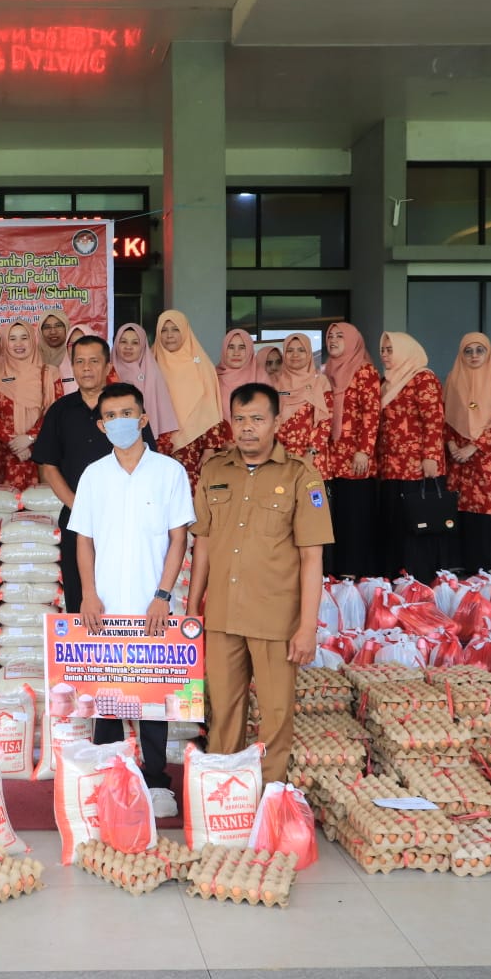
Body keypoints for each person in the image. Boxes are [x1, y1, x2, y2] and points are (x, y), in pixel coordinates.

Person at [188, 383, 333, 784]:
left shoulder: (301, 475)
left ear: (276, 422)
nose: (247, 428)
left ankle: (269, 796)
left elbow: (312, 557)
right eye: (239, 419)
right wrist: (193, 608)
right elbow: (202, 544)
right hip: (222, 615)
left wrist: (307, 627)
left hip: (275, 618)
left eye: (257, 419)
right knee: (222, 711)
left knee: (275, 715)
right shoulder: (215, 470)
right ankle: (224, 793)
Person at [67, 382, 193, 818]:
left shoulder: (169, 472)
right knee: (108, 698)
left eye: (127, 413)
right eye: (110, 416)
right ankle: (111, 778)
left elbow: (179, 538)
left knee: (153, 696)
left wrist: (162, 595)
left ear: (143, 419)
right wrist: (88, 593)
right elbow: (84, 540)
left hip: (151, 606)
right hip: (104, 607)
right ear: (102, 426)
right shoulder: (93, 475)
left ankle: (156, 780)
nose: (119, 422)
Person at [34, 336, 156, 607]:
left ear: (107, 366)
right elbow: (49, 466)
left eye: (93, 361)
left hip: (126, 515)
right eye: (79, 362)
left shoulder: (124, 408)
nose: (86, 368)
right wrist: (79, 508)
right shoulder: (60, 411)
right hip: (77, 516)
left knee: (127, 591)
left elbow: (147, 458)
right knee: (80, 595)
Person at [376, 331, 454, 581]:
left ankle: (419, 576)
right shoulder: (386, 381)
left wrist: (430, 455)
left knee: (418, 520)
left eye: (390, 350)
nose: (385, 355)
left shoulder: (423, 378)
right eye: (383, 350)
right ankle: (396, 574)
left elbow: (434, 419)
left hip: (418, 466)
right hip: (391, 465)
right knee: (395, 521)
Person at [444, 333, 491, 572]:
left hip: (487, 457)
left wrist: (474, 446)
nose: (474, 355)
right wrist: (452, 446)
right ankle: (459, 561)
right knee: (458, 508)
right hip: (458, 458)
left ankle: (490, 562)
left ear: (488, 353)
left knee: (487, 509)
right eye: (468, 351)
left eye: (479, 350)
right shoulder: (453, 380)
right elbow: (443, 417)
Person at [321, 323, 381, 578]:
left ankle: (354, 569)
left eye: (339, 336)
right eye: (330, 336)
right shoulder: (326, 371)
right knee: (336, 516)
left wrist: (364, 450)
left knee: (355, 515)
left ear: (353, 341)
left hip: (355, 456)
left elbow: (372, 413)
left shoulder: (364, 371)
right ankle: (337, 569)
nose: (333, 340)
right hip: (331, 457)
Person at [152, 310, 230, 487]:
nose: (169, 335)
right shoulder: (151, 362)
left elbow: (210, 408)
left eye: (175, 329)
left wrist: (209, 449)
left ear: (185, 331)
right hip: (159, 444)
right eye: (164, 330)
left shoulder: (202, 365)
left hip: (194, 445)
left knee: (189, 493)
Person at [0, 320, 55, 488]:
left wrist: (30, 438)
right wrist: (14, 444)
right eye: (12, 339)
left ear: (33, 340)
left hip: (39, 451)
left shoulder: (49, 373)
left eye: (24, 338)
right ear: (6, 343)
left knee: (39, 501)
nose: (18, 344)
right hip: (4, 455)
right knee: (3, 502)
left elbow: (54, 411)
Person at [112, 324, 180, 447]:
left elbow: (162, 413)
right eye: (123, 342)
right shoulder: (108, 372)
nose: (128, 347)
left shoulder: (153, 373)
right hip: (114, 438)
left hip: (149, 438)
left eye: (135, 343)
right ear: (116, 344)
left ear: (143, 346)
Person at [273, 333, 331, 464]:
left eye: (301, 350)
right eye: (290, 350)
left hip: (312, 458)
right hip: (281, 457)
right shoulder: (276, 384)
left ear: (309, 353)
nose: (295, 355)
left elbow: (326, 422)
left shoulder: (320, 382)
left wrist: (312, 451)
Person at [216, 329, 267, 410]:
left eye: (242, 347)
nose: (236, 353)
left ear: (249, 350)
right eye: (231, 347)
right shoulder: (214, 378)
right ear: (224, 350)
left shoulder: (261, 378)